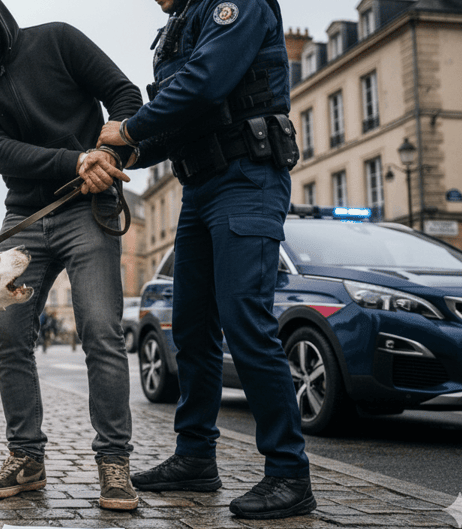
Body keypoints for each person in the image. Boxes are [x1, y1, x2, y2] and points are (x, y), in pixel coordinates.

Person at [97, 0, 315, 520]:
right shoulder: (176, 27)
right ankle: (195, 457)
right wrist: (120, 155)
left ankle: (289, 473)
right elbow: (178, 120)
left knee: (245, 320)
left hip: (247, 178)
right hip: (198, 187)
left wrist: (126, 132)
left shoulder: (235, 6)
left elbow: (205, 83)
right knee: (191, 327)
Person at [0, 0, 143, 511]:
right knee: (8, 333)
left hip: (87, 210)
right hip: (25, 216)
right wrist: (75, 158)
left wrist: (110, 153)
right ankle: (26, 456)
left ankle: (114, 462)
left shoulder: (58, 40)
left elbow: (125, 96)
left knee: (100, 330)